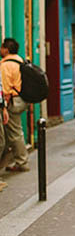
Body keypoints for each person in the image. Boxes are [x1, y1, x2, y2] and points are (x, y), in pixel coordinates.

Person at [0, 38, 30, 172]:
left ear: (6, 49)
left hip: (13, 100)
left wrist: (4, 106)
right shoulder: (20, 60)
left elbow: (5, 88)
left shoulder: (6, 65)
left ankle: (21, 162)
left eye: (2, 47)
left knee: (15, 133)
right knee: (13, 131)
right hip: (22, 99)